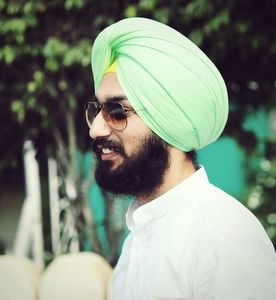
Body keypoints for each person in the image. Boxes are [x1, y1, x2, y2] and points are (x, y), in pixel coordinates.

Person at [85, 17, 276, 300]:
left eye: (116, 112)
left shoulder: (224, 237)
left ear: (168, 121)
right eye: (97, 110)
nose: (95, 129)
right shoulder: (137, 239)